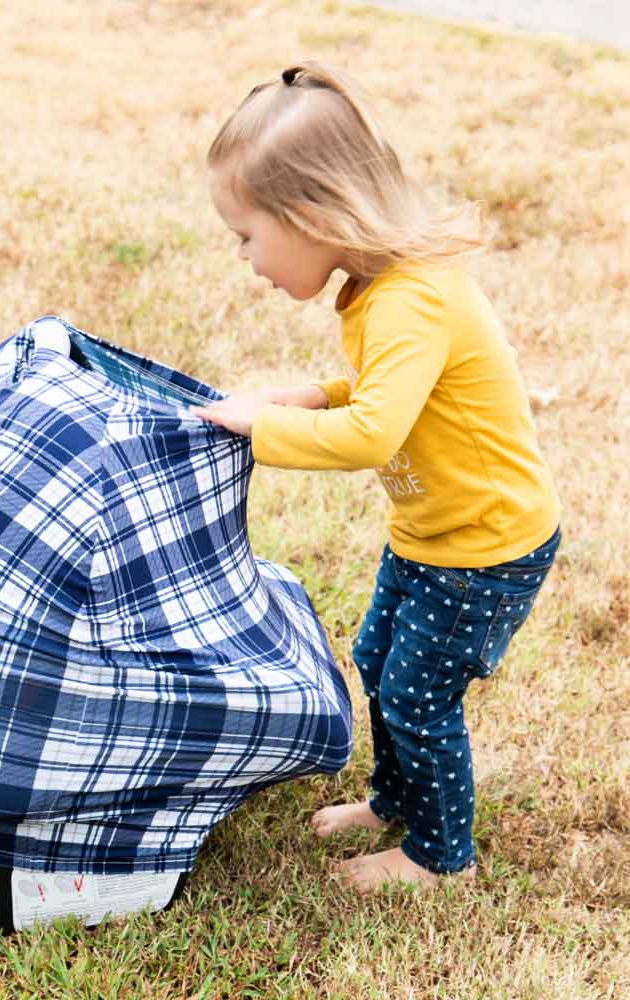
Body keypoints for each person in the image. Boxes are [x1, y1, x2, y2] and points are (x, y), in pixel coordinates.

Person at [190, 61, 561, 892]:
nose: (245, 259)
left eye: (247, 235)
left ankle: (438, 856)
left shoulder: (409, 298)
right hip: (434, 532)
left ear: (313, 215)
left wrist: (271, 428)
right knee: (378, 656)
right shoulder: (374, 287)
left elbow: (373, 432)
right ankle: (395, 797)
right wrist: (311, 394)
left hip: (486, 545)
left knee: (418, 697)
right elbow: (388, 393)